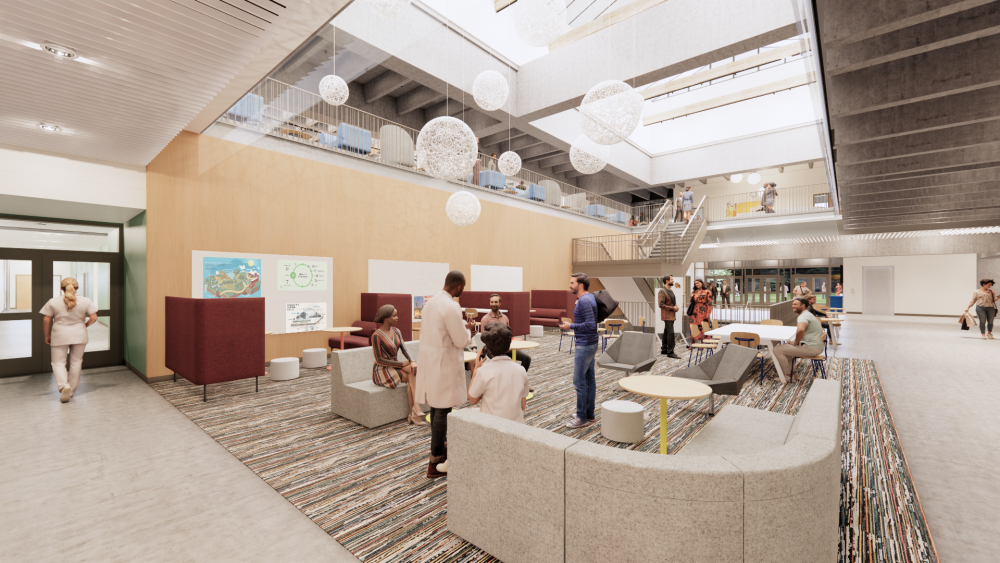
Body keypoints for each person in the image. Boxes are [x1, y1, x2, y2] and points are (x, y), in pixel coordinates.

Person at [414, 270, 477, 478]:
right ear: (459, 287)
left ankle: (440, 455)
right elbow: (460, 341)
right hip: (444, 364)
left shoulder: (430, 303)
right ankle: (435, 460)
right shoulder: (451, 306)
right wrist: (469, 331)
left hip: (431, 361)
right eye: (464, 287)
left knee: (436, 407)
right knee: (442, 411)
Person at [41, 277, 98, 403]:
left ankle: (63, 385)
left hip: (60, 334)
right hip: (80, 334)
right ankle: (71, 390)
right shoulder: (86, 301)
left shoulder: (53, 301)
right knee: (76, 362)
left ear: (61, 288)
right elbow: (94, 317)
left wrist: (46, 335)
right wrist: (85, 325)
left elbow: (46, 320)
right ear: (77, 287)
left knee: (58, 363)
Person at [371, 304, 424, 426]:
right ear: (386, 319)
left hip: (395, 365)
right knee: (413, 376)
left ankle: (414, 411)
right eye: (394, 315)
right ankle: (413, 411)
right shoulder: (376, 336)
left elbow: (404, 349)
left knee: (413, 371)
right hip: (382, 369)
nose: (397, 317)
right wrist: (401, 363)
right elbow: (379, 360)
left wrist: (412, 361)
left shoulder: (397, 331)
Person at [468, 324, 530, 424]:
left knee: (470, 413)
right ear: (509, 348)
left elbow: (472, 399)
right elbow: (522, 406)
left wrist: (475, 370)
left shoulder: (483, 371)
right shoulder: (521, 370)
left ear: (488, 349)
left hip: (493, 427)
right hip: (517, 426)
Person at [559, 272, 598, 428]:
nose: (570, 285)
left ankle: (581, 417)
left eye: (572, 283)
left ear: (580, 285)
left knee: (579, 381)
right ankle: (589, 413)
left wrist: (571, 326)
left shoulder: (584, 301)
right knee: (589, 379)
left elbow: (591, 324)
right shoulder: (588, 298)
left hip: (585, 345)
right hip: (590, 343)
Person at [772, 298, 825, 383]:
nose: (792, 306)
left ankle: (788, 376)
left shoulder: (803, 316)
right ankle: (793, 374)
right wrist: (795, 343)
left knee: (777, 349)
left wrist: (796, 342)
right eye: (793, 304)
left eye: (795, 304)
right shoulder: (808, 314)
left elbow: (800, 330)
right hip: (815, 346)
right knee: (786, 348)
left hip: (811, 348)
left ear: (803, 305)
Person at [479, 294, 531, 372]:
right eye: (492, 302)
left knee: (527, 358)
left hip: (506, 347)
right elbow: (484, 339)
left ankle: (519, 377)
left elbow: (508, 334)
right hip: (491, 348)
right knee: (503, 364)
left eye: (496, 302)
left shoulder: (505, 318)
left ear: (500, 303)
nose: (493, 304)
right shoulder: (485, 319)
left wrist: (507, 346)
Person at [658, 275, 680, 358]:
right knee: (670, 332)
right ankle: (670, 352)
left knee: (667, 331)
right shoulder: (662, 291)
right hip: (666, 315)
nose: (673, 281)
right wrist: (672, 308)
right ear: (667, 281)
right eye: (671, 279)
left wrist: (676, 306)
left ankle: (664, 349)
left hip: (672, 314)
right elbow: (661, 304)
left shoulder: (670, 290)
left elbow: (673, 301)